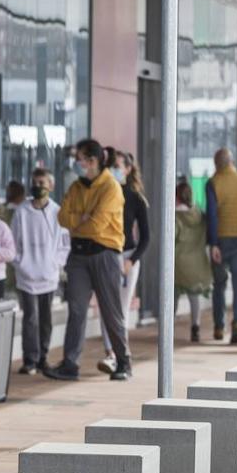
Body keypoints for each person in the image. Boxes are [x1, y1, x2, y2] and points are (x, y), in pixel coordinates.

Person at [44, 138, 131, 382]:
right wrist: (82, 218)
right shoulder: (76, 187)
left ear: (92, 161)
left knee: (111, 311)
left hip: (105, 253)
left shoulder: (111, 187)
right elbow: (62, 218)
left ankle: (123, 361)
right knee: (77, 310)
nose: (76, 163)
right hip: (79, 255)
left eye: (79, 158)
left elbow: (97, 224)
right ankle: (70, 364)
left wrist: (81, 219)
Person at [11, 168, 70, 375]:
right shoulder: (21, 212)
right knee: (30, 318)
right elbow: (14, 242)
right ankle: (30, 360)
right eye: (35, 182)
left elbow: (64, 244)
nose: (38, 187)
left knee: (45, 319)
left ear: (51, 186)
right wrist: (20, 263)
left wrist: (56, 264)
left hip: (49, 275)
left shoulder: (57, 212)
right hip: (26, 275)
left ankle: (43, 357)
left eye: (42, 183)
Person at [97, 150, 150, 374]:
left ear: (128, 169)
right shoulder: (104, 193)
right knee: (104, 307)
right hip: (107, 255)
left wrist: (132, 261)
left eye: (118, 166)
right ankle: (110, 354)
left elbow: (146, 237)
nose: (114, 170)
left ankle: (122, 356)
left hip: (128, 257)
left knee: (121, 309)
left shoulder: (136, 197)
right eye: (111, 166)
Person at [205, 147, 237, 345]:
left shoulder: (213, 182)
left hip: (222, 239)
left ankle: (219, 326)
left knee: (219, 284)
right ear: (232, 162)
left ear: (217, 164)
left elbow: (212, 215)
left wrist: (213, 243)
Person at [175, 181, 212, 344]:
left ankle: (169, 326)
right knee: (194, 297)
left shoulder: (175, 216)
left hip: (178, 263)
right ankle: (195, 326)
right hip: (197, 261)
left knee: (172, 296)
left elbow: (172, 237)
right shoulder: (200, 214)